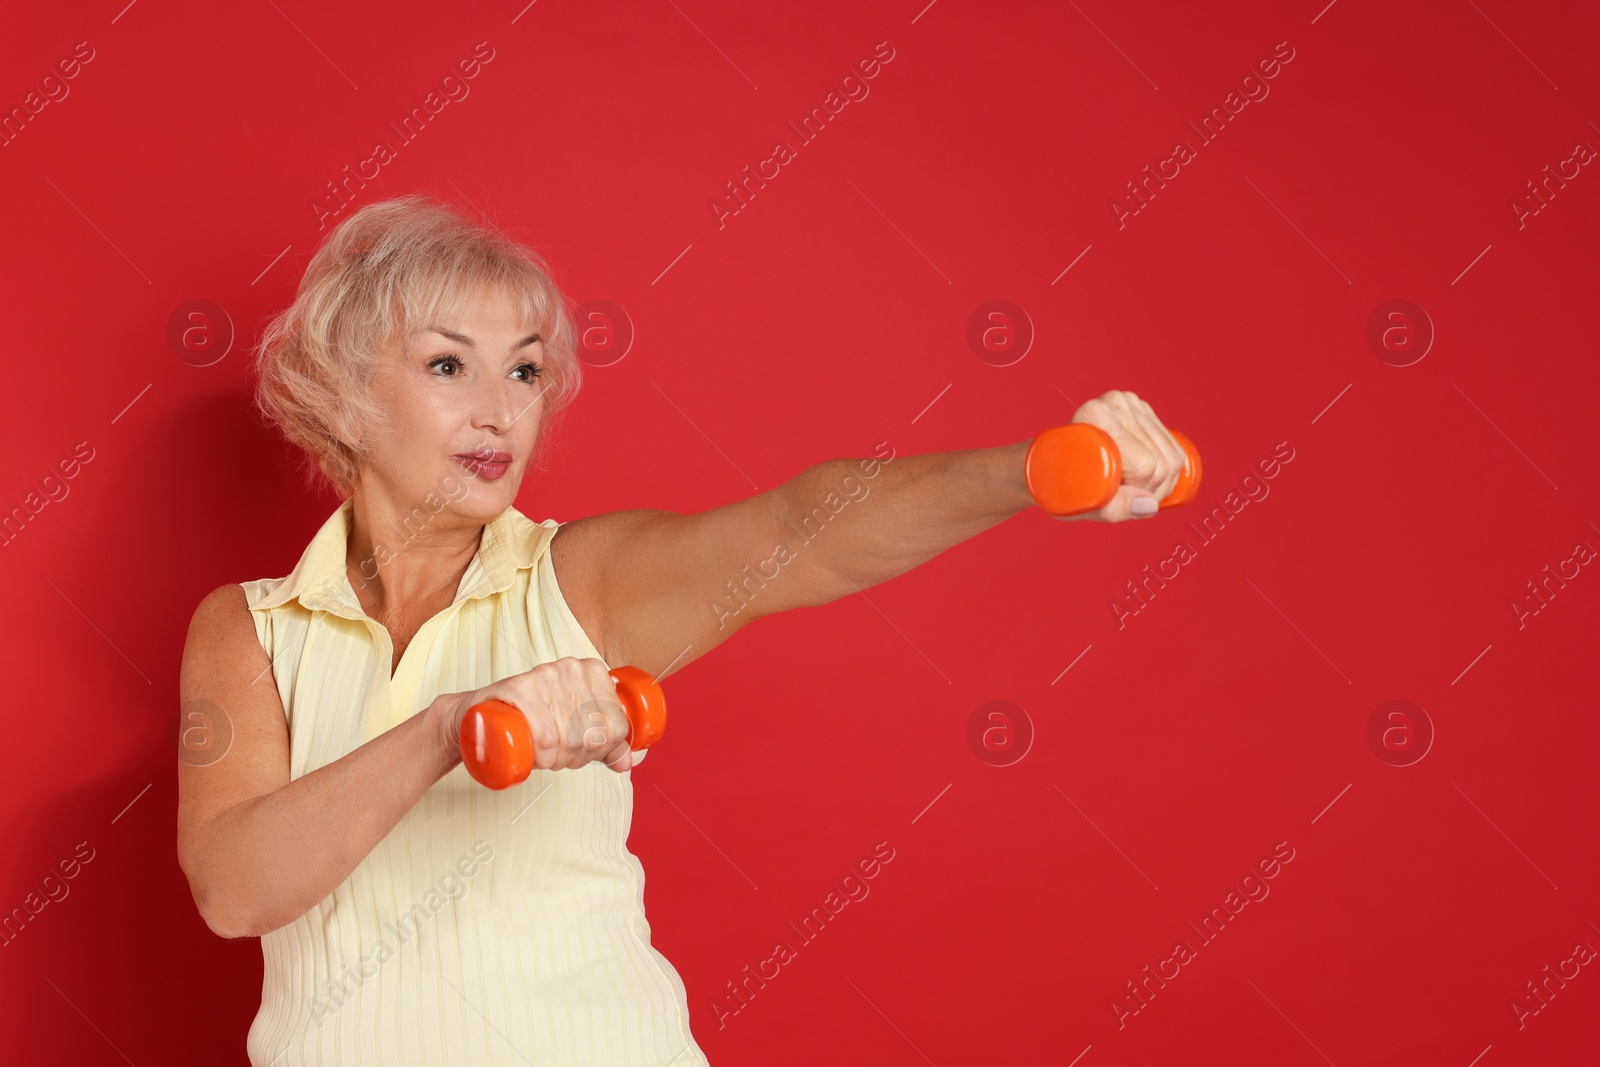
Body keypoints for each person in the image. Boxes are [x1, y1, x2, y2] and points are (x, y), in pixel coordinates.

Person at [175, 194, 1189, 1066]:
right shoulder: (251, 629)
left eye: (524, 373)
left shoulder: (580, 581)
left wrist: (1030, 469)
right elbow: (235, 887)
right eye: (451, 366)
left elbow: (803, 528)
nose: (499, 411)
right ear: (343, 393)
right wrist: (451, 726)